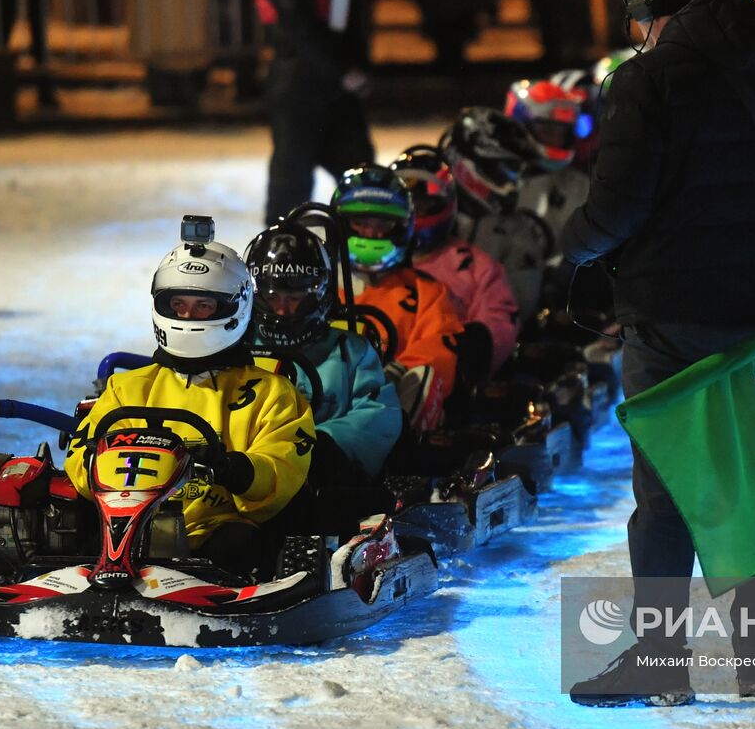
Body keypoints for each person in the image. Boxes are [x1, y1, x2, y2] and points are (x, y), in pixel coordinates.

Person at [560, 0, 755, 705]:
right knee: (746, 483)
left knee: (667, 495)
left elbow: (615, 208)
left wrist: (573, 244)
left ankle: (659, 667)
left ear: (651, 15)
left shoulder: (646, 83)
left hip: (666, 322)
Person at [65, 226, 316, 581]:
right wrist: (99, 460)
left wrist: (231, 467)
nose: (186, 317)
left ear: (233, 307)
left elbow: (282, 472)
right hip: (125, 526)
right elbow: (80, 459)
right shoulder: (127, 387)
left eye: (203, 306)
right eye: (177, 305)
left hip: (218, 531)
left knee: (239, 547)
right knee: (72, 532)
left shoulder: (273, 393)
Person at [243, 221, 402, 540]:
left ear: (319, 292)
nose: (283, 308)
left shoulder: (350, 350)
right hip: (249, 478)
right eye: (273, 295)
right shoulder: (239, 349)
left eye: (296, 294)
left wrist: (323, 443)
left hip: (325, 481)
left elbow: (380, 414)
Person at [255, 0, 374, 225]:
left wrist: (352, 66)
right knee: (293, 175)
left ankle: (368, 235)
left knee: (357, 165)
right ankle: (281, 247)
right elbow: (295, 25)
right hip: (299, 83)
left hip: (326, 80)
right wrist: (342, 69)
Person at [332, 164, 465, 433]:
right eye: (360, 223)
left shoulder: (426, 291)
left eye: (382, 224)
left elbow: (440, 350)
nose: (370, 234)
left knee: (423, 377)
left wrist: (392, 371)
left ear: (401, 227)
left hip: (390, 402)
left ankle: (397, 453)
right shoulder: (318, 286)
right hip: (327, 393)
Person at [391, 144, 520, 379]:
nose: (412, 215)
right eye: (405, 207)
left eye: (421, 206)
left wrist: (455, 358)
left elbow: (496, 328)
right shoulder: (374, 265)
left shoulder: (476, 266)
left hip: (442, 379)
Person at [440, 106, 553, 321]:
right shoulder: (423, 211)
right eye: (507, 169)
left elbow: (520, 309)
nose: (515, 183)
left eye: (518, 171)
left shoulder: (517, 232)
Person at [506, 73, 595, 255]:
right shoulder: (498, 179)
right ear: (521, 126)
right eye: (548, 130)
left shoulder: (579, 185)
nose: (556, 138)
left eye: (561, 132)